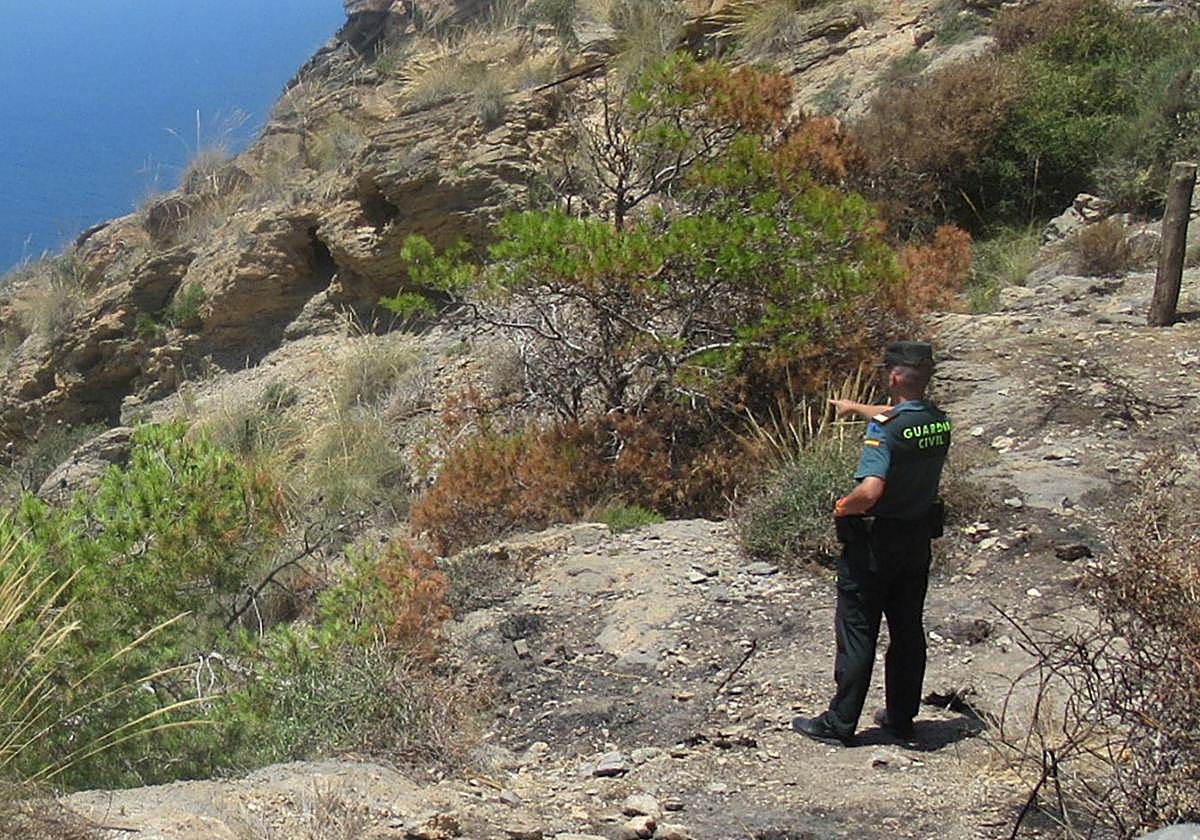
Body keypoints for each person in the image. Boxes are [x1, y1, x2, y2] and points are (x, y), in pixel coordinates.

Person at [793, 341, 951, 746]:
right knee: (907, 630)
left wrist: (844, 507)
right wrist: (853, 407)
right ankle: (901, 718)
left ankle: (839, 723)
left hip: (875, 543)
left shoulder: (883, 429)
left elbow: (872, 489)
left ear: (894, 376)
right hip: (916, 540)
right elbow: (900, 418)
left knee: (858, 630)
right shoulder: (938, 420)